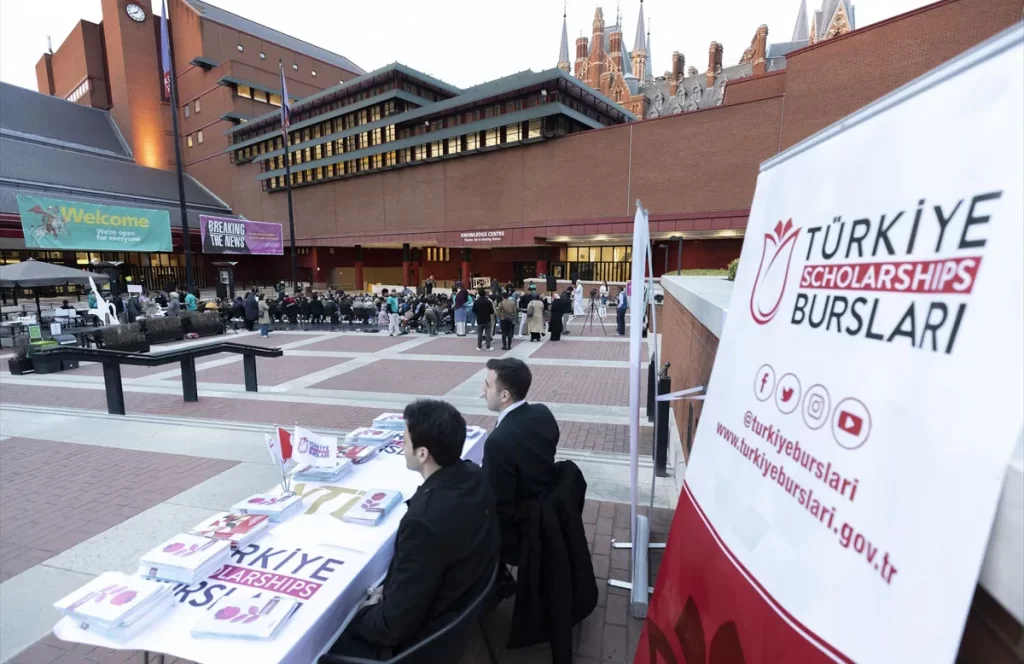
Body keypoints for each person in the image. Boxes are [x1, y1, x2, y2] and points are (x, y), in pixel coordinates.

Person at [329, 399, 499, 660]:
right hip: (457, 606)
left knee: (326, 631)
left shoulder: (422, 523)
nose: (402, 445)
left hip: (421, 643)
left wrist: (360, 613)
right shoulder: (474, 475)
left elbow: (391, 627)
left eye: (404, 439)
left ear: (422, 454)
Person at [481, 358, 559, 563]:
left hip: (519, 529)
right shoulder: (543, 413)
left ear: (505, 395)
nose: (483, 390)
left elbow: (499, 505)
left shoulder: (497, 443)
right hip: (544, 506)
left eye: (488, 386)